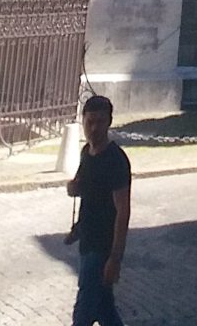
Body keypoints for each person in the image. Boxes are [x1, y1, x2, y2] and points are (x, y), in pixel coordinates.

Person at [67, 94, 132, 326]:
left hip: (102, 248)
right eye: (89, 121)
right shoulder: (87, 153)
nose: (93, 128)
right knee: (104, 308)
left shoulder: (116, 160)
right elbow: (81, 189)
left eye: (100, 122)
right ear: (83, 120)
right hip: (87, 241)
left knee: (83, 311)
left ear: (109, 122)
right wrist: (72, 188)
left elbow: (123, 211)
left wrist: (115, 258)